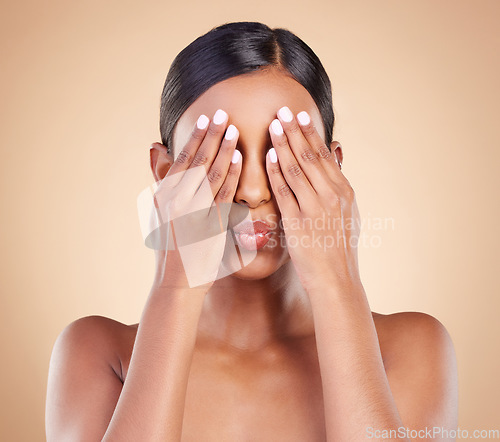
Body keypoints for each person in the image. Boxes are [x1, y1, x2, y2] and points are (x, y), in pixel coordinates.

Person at [45, 21, 458, 441]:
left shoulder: (412, 349)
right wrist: (176, 288)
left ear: (333, 170)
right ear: (166, 173)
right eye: (221, 154)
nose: (255, 191)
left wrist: (338, 284)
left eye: (285, 153)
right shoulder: (99, 353)